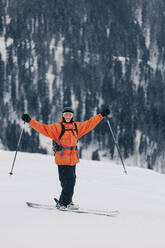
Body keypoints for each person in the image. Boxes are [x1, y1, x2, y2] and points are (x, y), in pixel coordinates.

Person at [22, 107, 110, 210]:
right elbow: (43, 128)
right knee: (67, 182)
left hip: (73, 159)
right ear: (63, 116)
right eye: (66, 115)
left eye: (70, 115)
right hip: (62, 158)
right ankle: (65, 203)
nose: (68, 117)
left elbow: (89, 124)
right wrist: (30, 121)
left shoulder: (76, 127)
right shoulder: (57, 128)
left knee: (71, 181)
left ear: (72, 117)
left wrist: (101, 115)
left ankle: (66, 201)